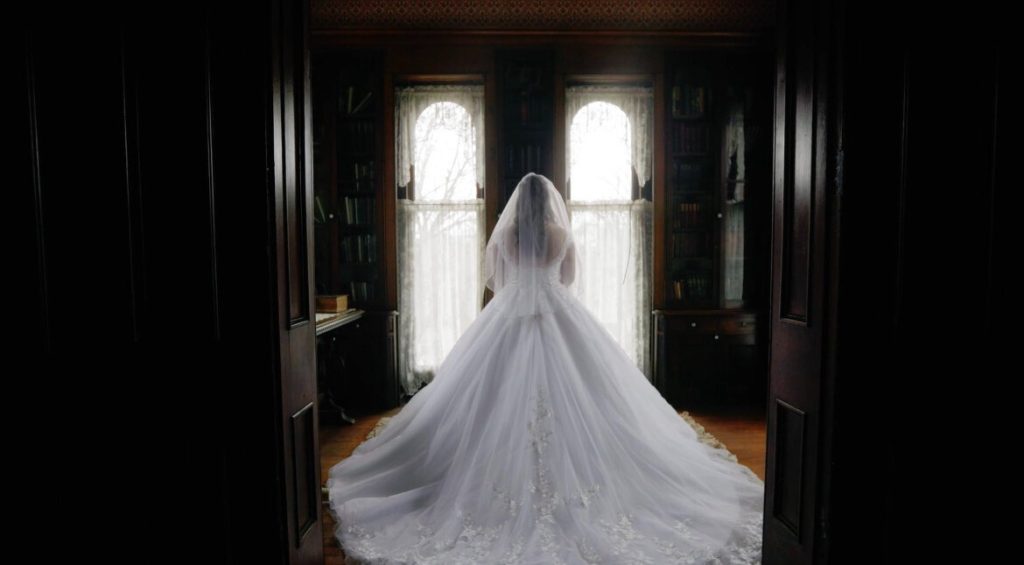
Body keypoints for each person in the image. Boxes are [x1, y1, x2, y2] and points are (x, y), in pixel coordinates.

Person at [325, 172, 764, 564]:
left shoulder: (507, 235)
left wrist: (522, 284)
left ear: (518, 204)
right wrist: (545, 281)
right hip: (558, 314)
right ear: (549, 202)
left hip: (509, 316)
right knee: (593, 401)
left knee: (486, 400)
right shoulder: (560, 234)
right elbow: (569, 278)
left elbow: (495, 278)